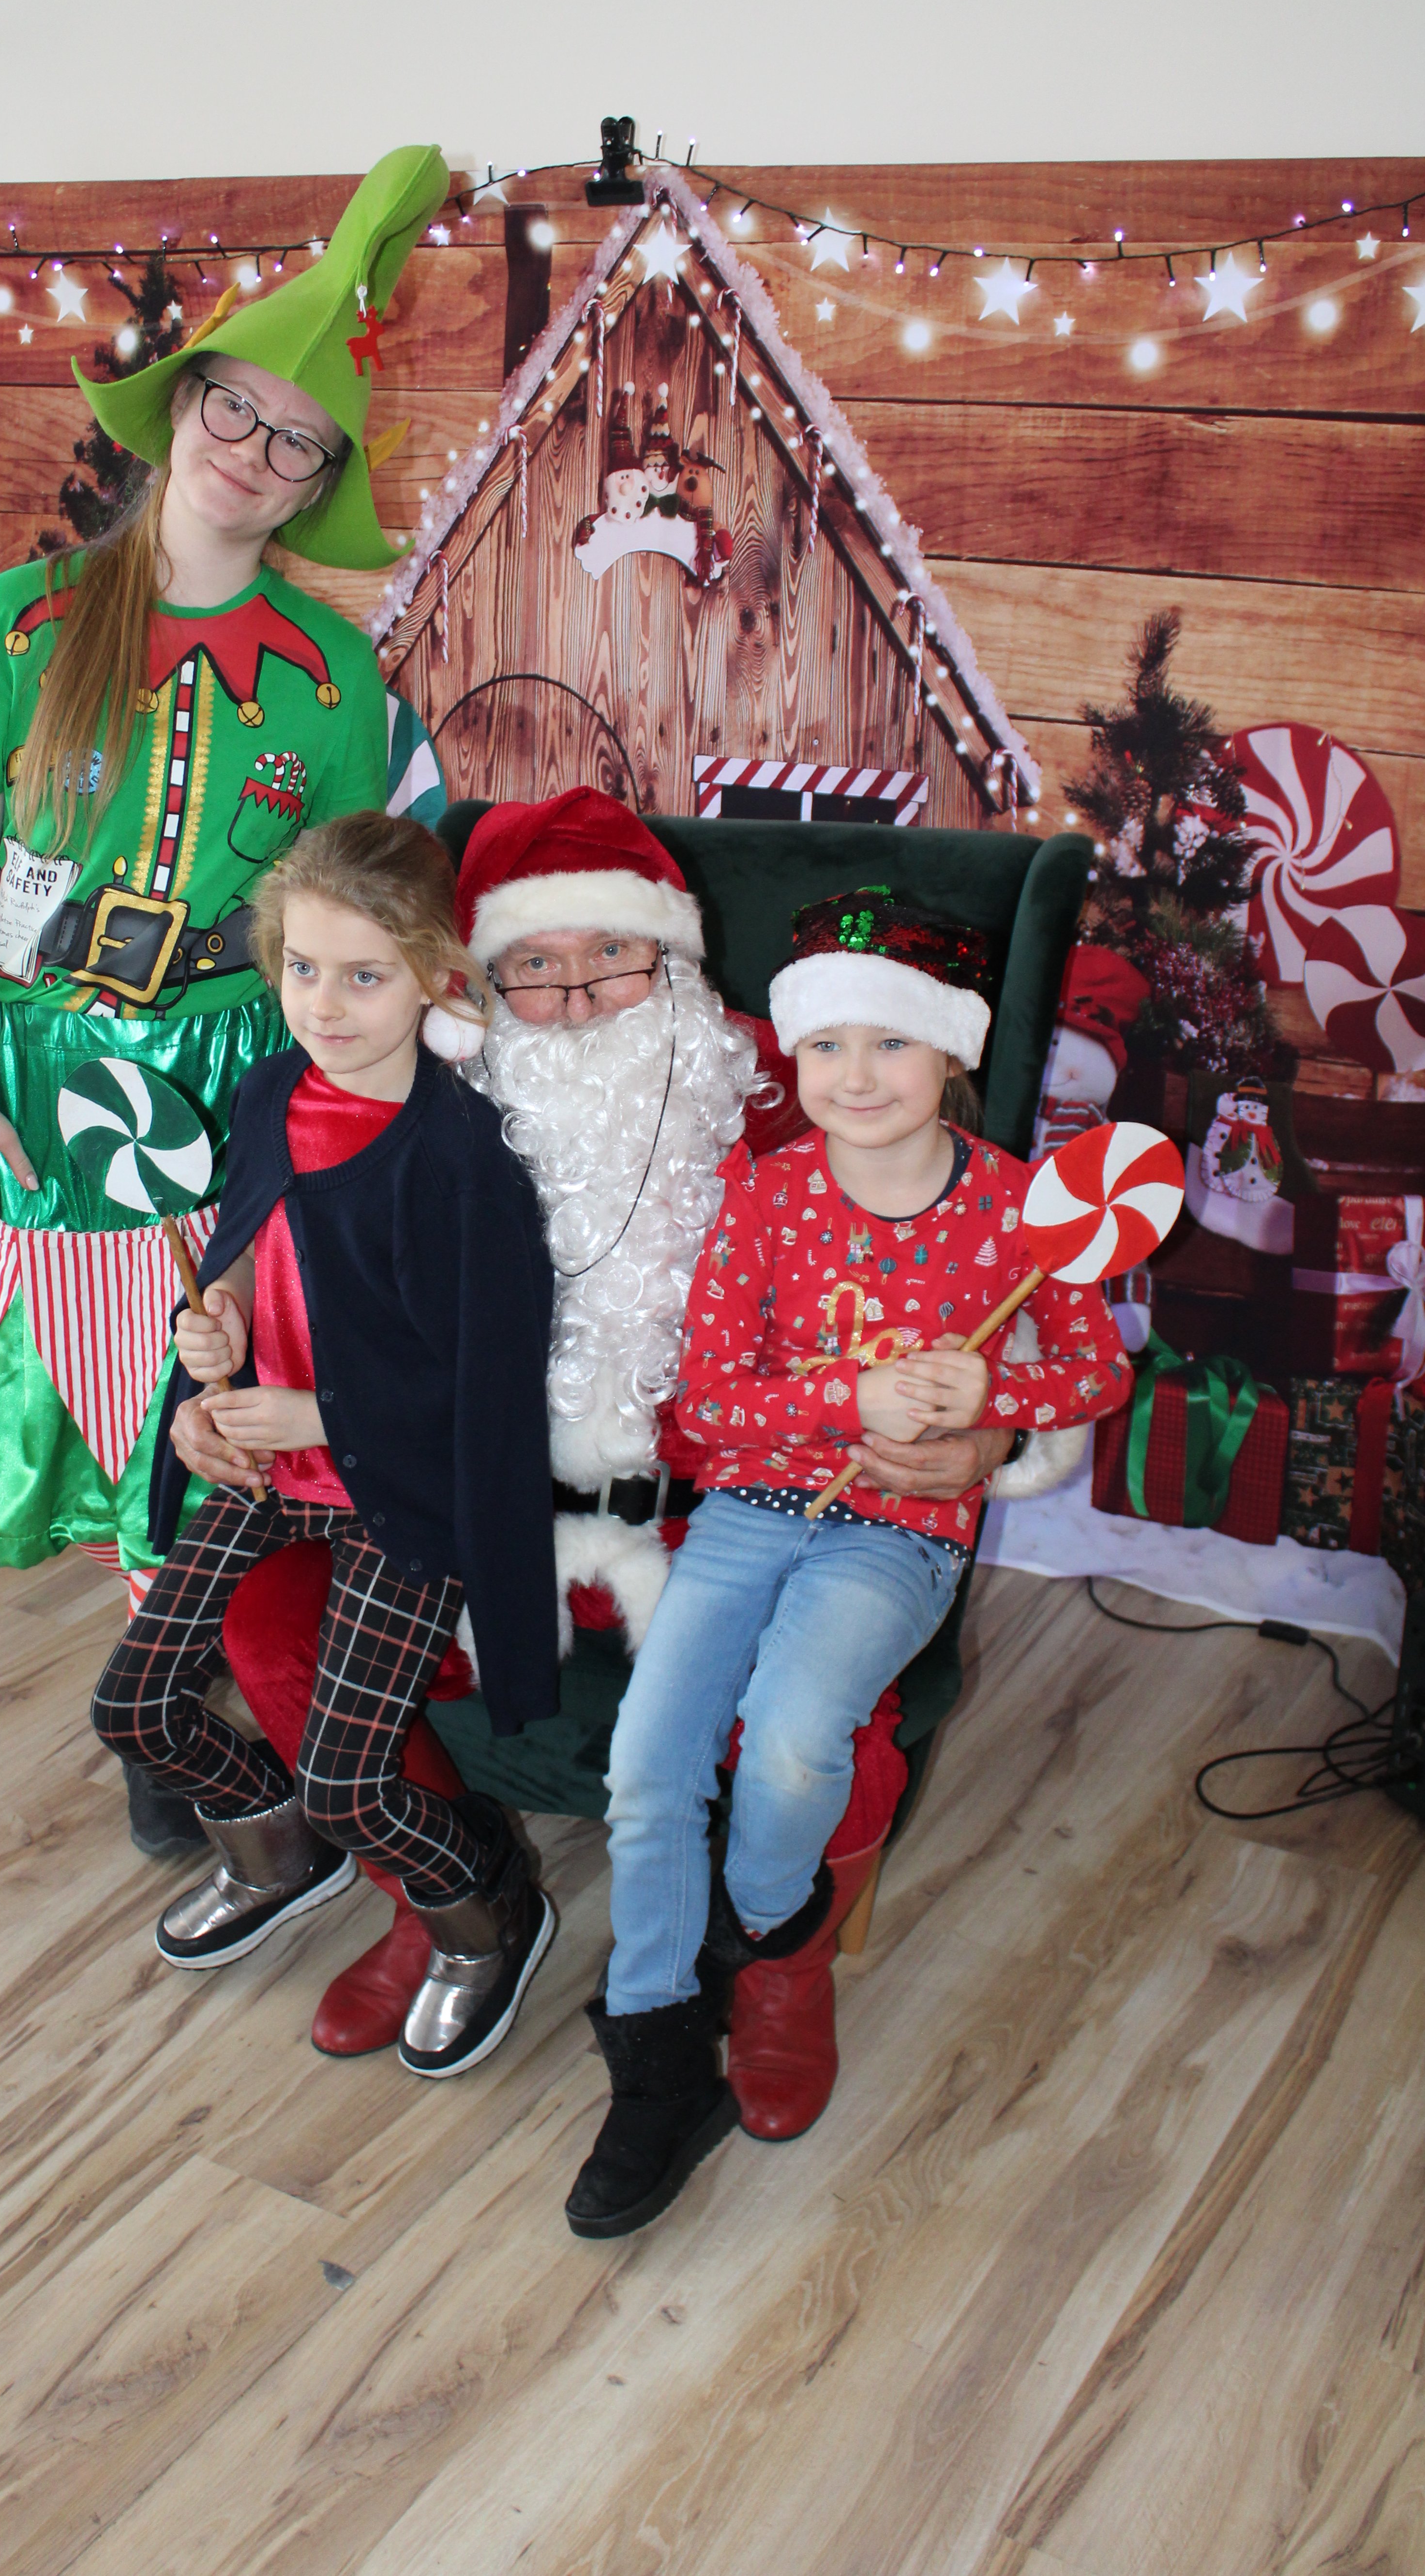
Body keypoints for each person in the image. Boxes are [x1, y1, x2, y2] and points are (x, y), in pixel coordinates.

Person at [210, 791, 1033, 2081]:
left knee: (814, 1712)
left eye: (614, 953)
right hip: (467, 1499)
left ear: (675, 954)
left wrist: (991, 1437)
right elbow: (290, 1295)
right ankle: (449, 1903)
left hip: (728, 1500)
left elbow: (977, 1268)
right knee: (266, 1622)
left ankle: (782, 1964)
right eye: (535, 968)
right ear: (473, 983)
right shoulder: (408, 1100)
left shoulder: (789, 1087)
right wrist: (219, 1396)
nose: (583, 997)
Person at [0, 148, 449, 1721]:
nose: (254, 453)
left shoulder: (333, 680)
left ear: (317, 485)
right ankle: (168, 1723)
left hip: (229, 1075)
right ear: (181, 409)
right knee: (78, 1392)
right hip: (34, 1066)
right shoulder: (21, 623)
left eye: (298, 442)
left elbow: (347, 926)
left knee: (204, 1392)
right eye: (237, 410)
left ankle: (173, 1718)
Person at [564, 885, 1134, 2240]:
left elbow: (1097, 1368)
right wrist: (850, 1399)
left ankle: (765, 1925)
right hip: (751, 1514)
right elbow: (708, 1404)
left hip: (899, 1535)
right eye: (826, 1044)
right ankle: (656, 2069)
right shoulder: (763, 1197)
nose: (857, 1074)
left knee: (795, 1739)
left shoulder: (1019, 1208)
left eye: (892, 1042)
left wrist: (995, 1398)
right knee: (647, 1765)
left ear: (953, 1053)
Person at [90, 812, 562, 2079]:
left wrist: (326, 1418)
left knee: (357, 1781)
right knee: (134, 1706)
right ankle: (274, 1848)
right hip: (275, 1466)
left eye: (364, 975)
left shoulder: (462, 1161)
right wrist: (215, 1341)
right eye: (302, 968)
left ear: (436, 977)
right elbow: (248, 1253)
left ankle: (488, 1901)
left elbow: (491, 1385)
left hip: (395, 1482)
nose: (326, 1005)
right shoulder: (271, 1093)